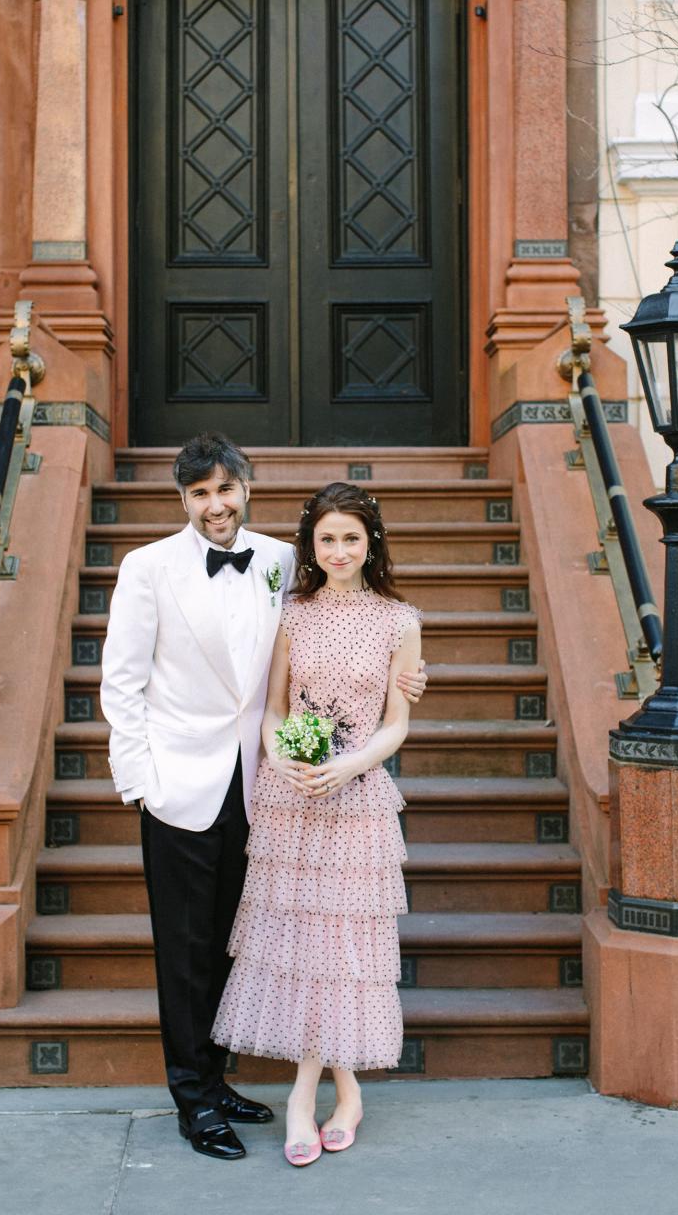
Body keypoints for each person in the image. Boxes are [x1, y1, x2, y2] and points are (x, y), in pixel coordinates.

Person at [100, 435, 426, 1161]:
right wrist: (140, 784)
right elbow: (120, 683)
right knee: (183, 951)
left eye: (225, 489)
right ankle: (193, 1100)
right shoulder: (147, 567)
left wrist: (407, 681)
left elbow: (343, 639)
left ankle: (218, 1082)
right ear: (182, 500)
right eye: (199, 494)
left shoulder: (284, 562)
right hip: (180, 787)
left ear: (246, 488)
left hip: (269, 788)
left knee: (231, 945)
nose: (215, 505)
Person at [212, 481, 422, 1167]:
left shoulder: (399, 620)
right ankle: (347, 1093)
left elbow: (397, 725)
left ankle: (303, 1096)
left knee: (341, 944)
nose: (338, 550)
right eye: (326, 538)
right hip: (291, 797)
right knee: (302, 944)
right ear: (311, 545)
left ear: (372, 543)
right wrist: (282, 755)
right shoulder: (292, 614)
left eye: (351, 538)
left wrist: (348, 765)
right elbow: (272, 709)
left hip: (355, 796)